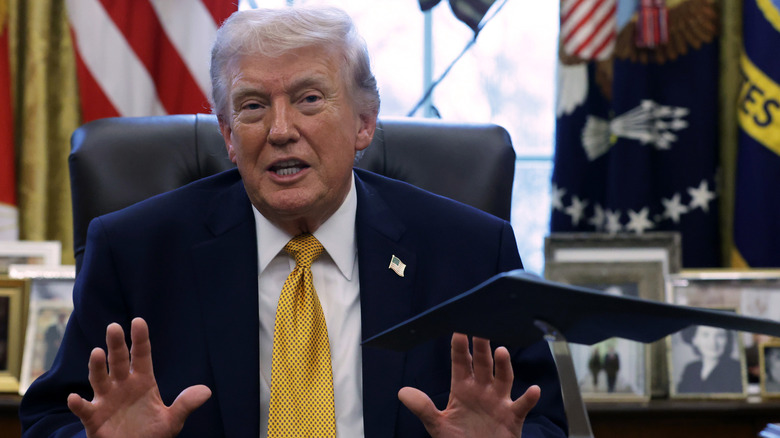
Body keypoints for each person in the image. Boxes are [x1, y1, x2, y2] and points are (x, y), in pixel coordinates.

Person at [19, 6, 567, 438]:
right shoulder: (135, 251)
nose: (280, 129)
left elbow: (543, 421)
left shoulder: (470, 251)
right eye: (253, 106)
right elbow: (52, 419)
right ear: (229, 137)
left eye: (309, 99)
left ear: (364, 122)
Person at [676, 325, 743, 394]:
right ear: (694, 339)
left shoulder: (737, 369)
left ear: (727, 340)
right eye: (705, 335)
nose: (712, 342)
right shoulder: (690, 369)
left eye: (720, 335)